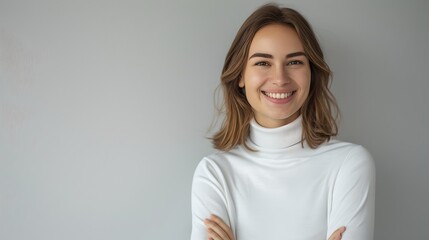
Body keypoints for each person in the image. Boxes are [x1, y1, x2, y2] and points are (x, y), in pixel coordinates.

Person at [191, 4, 375, 240]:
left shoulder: (349, 164)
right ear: (240, 75)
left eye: (294, 62)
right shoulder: (215, 173)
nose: (279, 78)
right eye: (262, 63)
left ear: (312, 73)